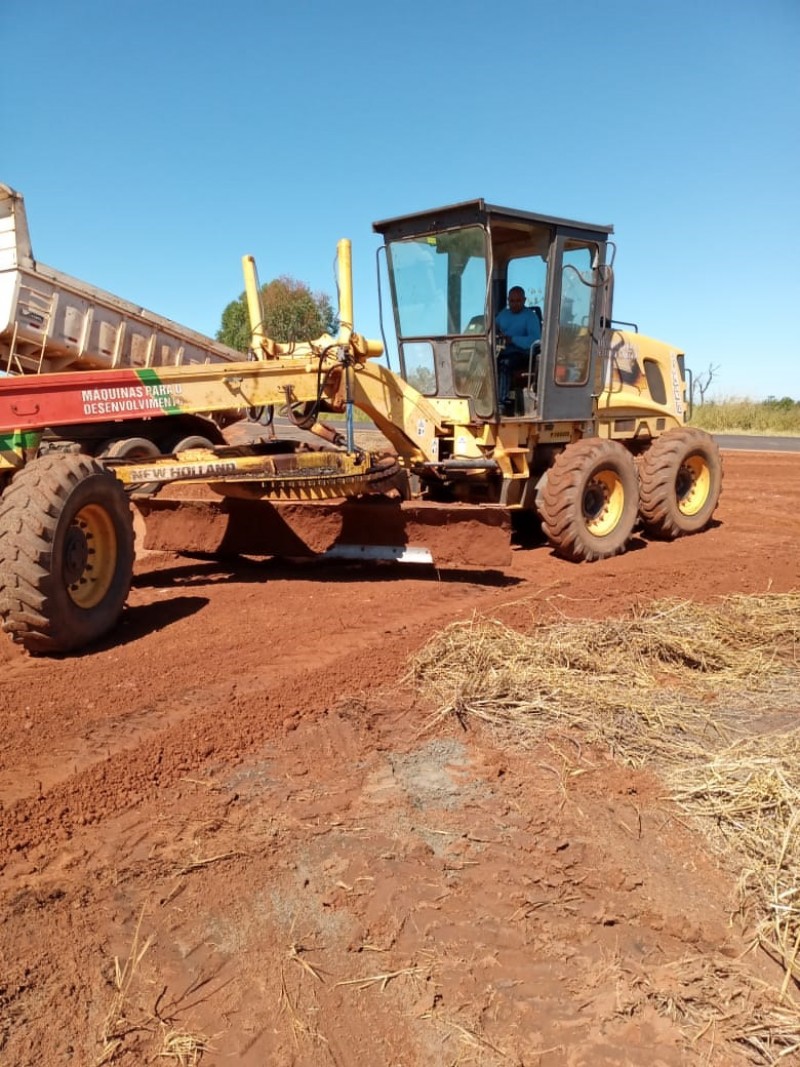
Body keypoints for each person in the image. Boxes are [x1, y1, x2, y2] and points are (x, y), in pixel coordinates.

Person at [495, 286, 541, 413]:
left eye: (518, 301)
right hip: (505, 349)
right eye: (512, 301)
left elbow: (535, 340)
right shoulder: (503, 314)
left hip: (524, 353)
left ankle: (501, 402)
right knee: (489, 360)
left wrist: (512, 339)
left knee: (505, 363)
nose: (514, 304)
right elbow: (493, 326)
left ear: (524, 300)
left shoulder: (530, 317)